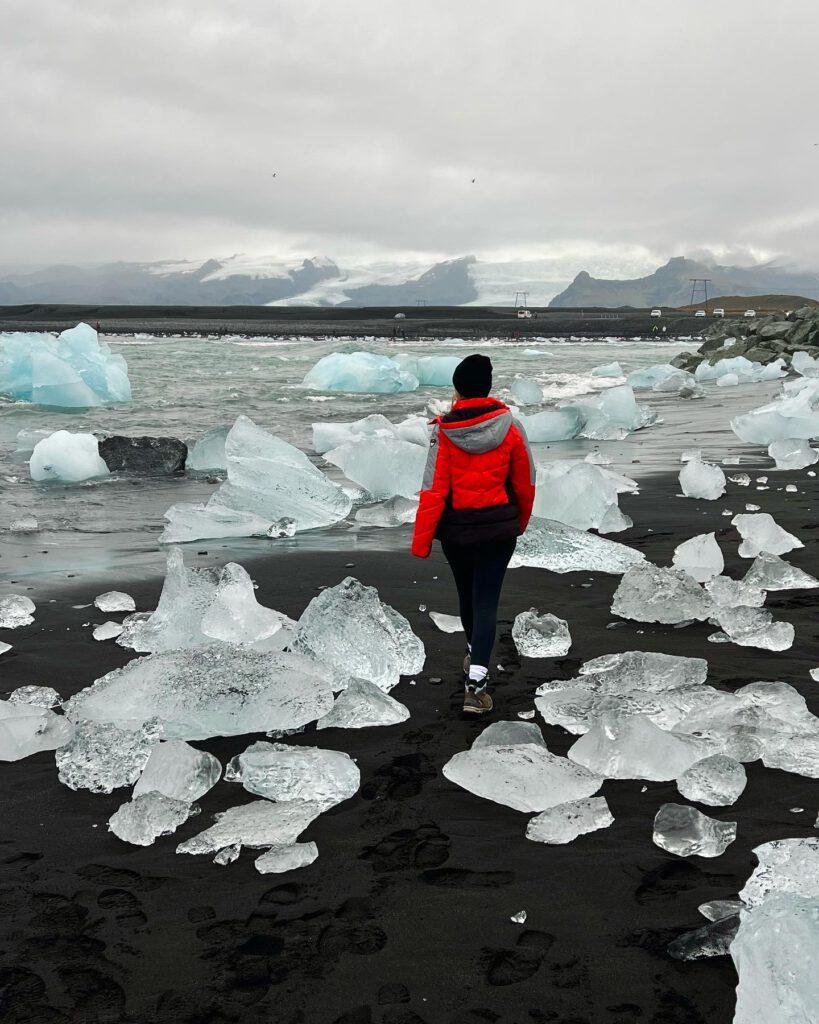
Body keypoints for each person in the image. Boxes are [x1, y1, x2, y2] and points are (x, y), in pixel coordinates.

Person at [411, 354, 535, 715]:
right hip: (497, 529)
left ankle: (473, 656)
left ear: (458, 389)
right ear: (488, 387)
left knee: (468, 598)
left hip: (458, 533)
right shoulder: (511, 428)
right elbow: (525, 481)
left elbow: (433, 488)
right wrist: (519, 522)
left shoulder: (443, 432)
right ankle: (476, 684)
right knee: (486, 604)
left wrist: (421, 541)